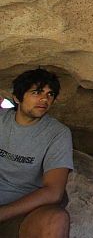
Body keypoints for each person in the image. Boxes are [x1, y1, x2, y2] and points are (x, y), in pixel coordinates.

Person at [0, 69, 72, 238]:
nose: (44, 99)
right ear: (17, 98)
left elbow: (54, 192)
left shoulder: (57, 134)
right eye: (36, 92)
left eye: (50, 94)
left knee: (56, 219)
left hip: (21, 213)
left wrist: (2, 213)